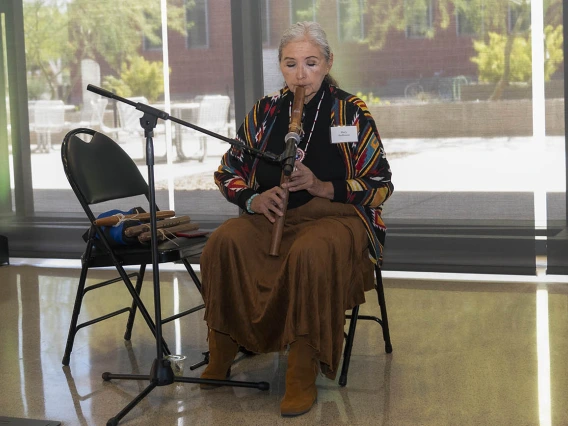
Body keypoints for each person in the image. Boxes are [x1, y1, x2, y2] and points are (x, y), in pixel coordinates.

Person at [199, 21, 393, 417]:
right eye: (291, 65)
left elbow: (381, 184)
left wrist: (323, 186)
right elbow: (227, 171)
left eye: (310, 63)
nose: (301, 75)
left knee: (310, 252)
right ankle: (222, 350)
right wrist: (254, 199)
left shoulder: (350, 112)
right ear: (281, 67)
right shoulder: (267, 111)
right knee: (224, 241)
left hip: (338, 217)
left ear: (327, 63)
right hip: (274, 216)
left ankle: (301, 373)